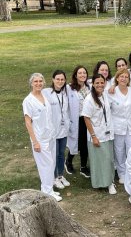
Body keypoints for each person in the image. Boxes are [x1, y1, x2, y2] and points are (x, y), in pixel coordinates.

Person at [23, 73, 61, 201]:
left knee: (52, 163)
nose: (38, 84)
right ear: (31, 83)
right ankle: (46, 191)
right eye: (36, 82)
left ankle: (49, 189)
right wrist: (35, 142)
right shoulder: (28, 101)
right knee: (46, 165)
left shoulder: (44, 96)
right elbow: (28, 122)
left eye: (40, 81)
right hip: (39, 139)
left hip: (50, 136)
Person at [82, 74, 116, 195]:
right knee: (100, 161)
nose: (100, 85)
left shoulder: (104, 95)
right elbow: (86, 118)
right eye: (97, 83)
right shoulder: (89, 99)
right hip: (97, 135)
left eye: (102, 83)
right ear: (93, 84)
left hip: (107, 133)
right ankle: (104, 183)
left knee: (108, 159)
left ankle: (109, 181)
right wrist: (93, 136)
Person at [108, 69, 131, 184]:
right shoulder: (111, 91)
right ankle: (121, 173)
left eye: (126, 77)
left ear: (129, 79)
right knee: (119, 150)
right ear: (117, 78)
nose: (124, 79)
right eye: (121, 76)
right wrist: (112, 86)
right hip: (118, 125)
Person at [42, 70, 71, 190]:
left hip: (63, 130)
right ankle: (53, 178)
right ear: (53, 79)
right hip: (52, 131)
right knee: (53, 155)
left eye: (62, 79)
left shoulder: (65, 93)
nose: (60, 81)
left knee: (61, 154)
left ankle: (60, 175)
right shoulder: (46, 93)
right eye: (57, 79)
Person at [66, 65, 91, 177]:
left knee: (86, 143)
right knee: (77, 143)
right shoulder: (70, 88)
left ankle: (83, 167)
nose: (82, 75)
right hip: (77, 120)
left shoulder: (89, 87)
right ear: (75, 75)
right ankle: (68, 161)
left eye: (84, 73)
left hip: (88, 119)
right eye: (80, 73)